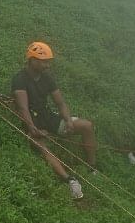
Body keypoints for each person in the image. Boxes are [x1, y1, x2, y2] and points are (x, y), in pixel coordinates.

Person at [10, 41, 94, 200]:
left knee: (86, 126)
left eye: (48, 62)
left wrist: (68, 120)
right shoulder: (20, 79)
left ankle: (91, 167)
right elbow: (23, 109)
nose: (47, 65)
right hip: (31, 121)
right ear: (33, 60)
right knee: (43, 147)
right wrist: (33, 129)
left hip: (48, 116)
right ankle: (69, 179)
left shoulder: (47, 78)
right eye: (44, 62)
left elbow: (60, 103)